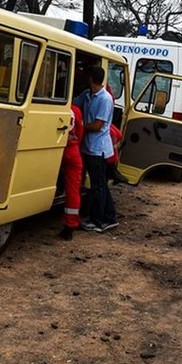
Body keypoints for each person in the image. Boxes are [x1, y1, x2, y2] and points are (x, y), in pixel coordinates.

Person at [78, 65, 118, 232]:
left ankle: (99, 220)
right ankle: (109, 217)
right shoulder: (89, 96)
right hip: (90, 147)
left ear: (90, 79)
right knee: (100, 184)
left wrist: (80, 126)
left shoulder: (104, 99)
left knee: (97, 187)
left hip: (98, 149)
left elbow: (97, 125)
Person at [58, 104, 84, 240]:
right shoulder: (75, 110)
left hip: (57, 149)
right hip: (73, 150)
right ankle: (70, 225)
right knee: (73, 190)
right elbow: (80, 132)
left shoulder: (55, 107)